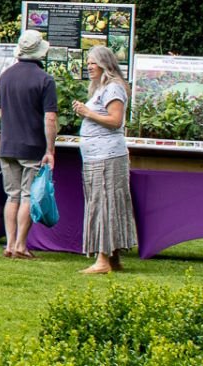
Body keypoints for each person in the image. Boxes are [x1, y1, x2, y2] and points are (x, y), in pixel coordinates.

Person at [72, 45, 136, 274]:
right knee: (103, 202)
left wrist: (87, 113)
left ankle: (102, 260)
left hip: (107, 157)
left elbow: (115, 120)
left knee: (105, 203)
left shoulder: (113, 89)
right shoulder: (102, 89)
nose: (89, 66)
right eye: (88, 62)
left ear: (105, 64)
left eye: (93, 62)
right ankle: (113, 257)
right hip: (97, 156)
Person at [0, 29, 58, 260]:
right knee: (27, 196)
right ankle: (21, 245)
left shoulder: (5, 76)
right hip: (32, 145)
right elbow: (49, 117)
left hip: (8, 144)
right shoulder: (45, 80)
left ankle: (10, 243)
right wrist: (50, 149)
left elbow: (2, 112)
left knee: (11, 196)